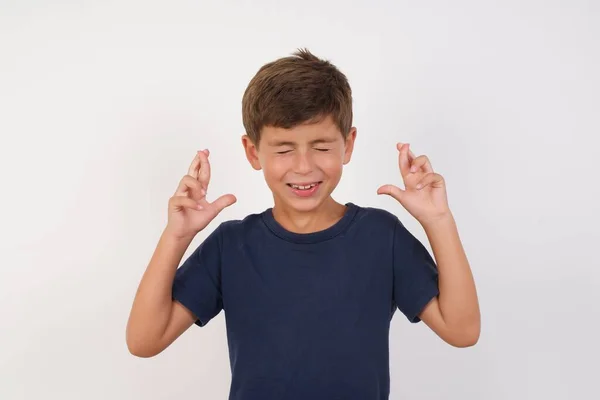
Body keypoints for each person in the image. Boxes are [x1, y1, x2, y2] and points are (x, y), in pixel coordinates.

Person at [126, 48, 480, 400]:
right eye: (283, 149)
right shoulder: (231, 245)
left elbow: (462, 330)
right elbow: (144, 340)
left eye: (321, 146)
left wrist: (438, 221)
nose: (304, 166)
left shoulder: (381, 236)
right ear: (253, 152)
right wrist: (177, 236)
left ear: (348, 144)